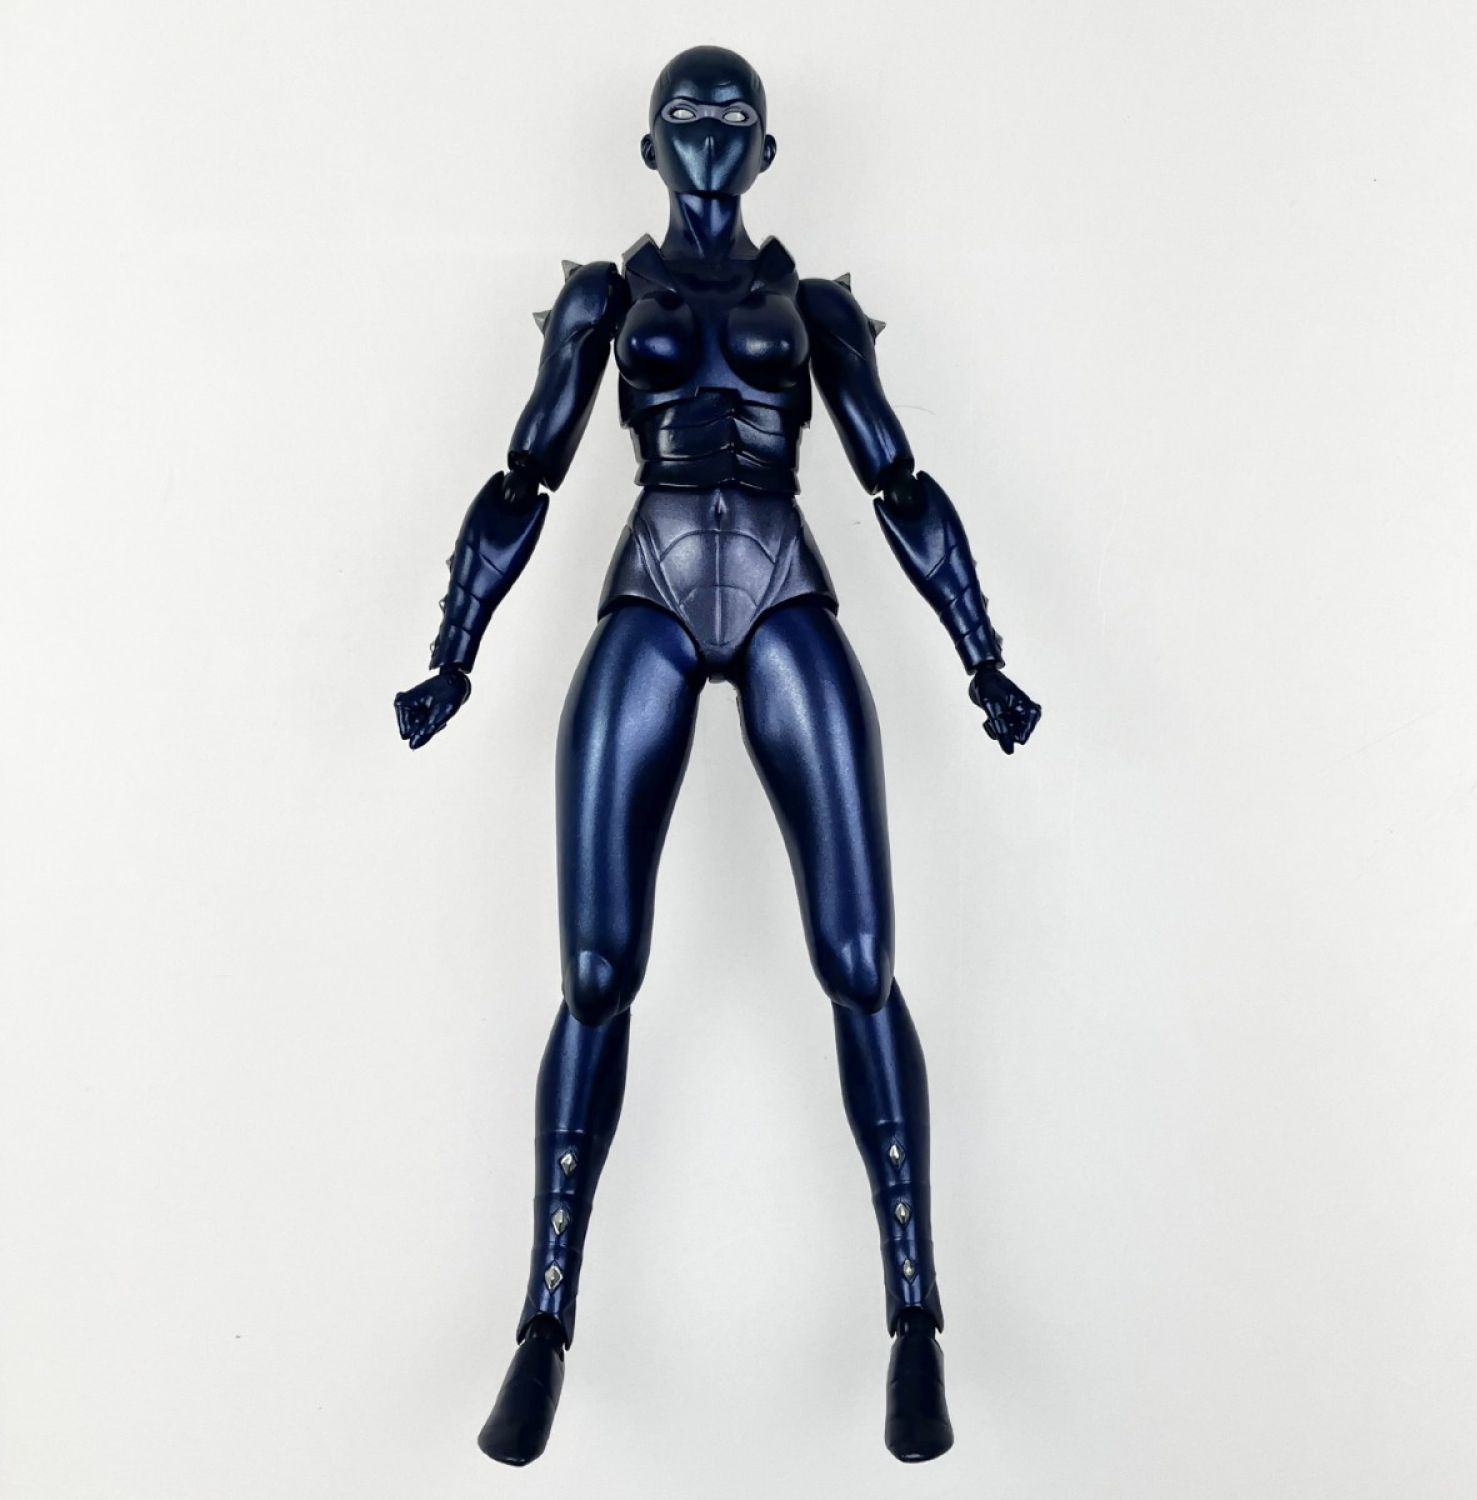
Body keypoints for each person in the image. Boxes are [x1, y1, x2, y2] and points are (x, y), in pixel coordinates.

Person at [393, 44, 1041, 1466]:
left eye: (733, 117)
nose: (707, 133)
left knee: (860, 959)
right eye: (684, 116)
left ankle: (916, 1313)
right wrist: (456, 650)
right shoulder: (602, 301)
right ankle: (544, 1320)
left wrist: (981, 652)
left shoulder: (814, 309)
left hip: (789, 586)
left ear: (766, 151)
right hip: (651, 586)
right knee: (595, 971)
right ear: (647, 148)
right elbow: (524, 474)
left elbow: (898, 480)